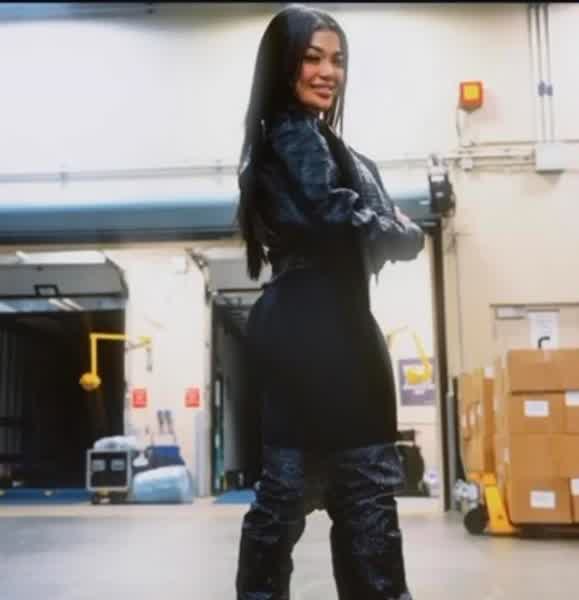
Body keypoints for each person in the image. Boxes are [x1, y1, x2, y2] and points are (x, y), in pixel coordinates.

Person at [234, 5, 424, 599]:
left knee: (349, 492)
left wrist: (392, 228)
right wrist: (395, 228)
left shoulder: (330, 146)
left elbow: (361, 221)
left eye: (337, 60)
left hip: (339, 327)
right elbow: (334, 215)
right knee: (320, 493)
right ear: (283, 63)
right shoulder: (287, 135)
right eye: (312, 57)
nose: (328, 72)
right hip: (311, 331)